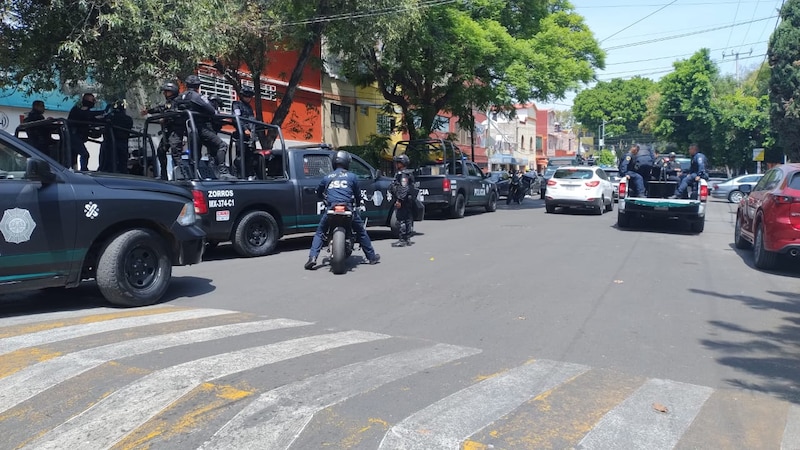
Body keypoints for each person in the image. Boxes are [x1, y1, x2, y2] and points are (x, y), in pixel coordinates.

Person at [305, 151, 380, 270]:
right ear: (346, 162)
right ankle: (371, 257)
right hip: (348, 208)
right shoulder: (352, 176)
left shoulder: (327, 177)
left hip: (331, 208)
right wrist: (358, 201)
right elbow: (357, 194)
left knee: (320, 232)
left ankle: (312, 258)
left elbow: (319, 192)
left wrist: (324, 198)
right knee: (361, 231)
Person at [175, 75, 232, 178]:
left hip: (190, 129)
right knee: (222, 145)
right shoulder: (197, 96)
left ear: (186, 85)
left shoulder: (180, 97)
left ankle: (192, 176)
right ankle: (223, 172)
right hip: (202, 128)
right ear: (197, 86)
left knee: (195, 156)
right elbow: (211, 110)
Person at [144, 82, 184, 179]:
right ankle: (163, 175)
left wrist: (165, 118)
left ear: (173, 92)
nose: (165, 94)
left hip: (175, 131)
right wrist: (149, 111)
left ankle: (181, 176)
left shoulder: (178, 101)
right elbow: (162, 108)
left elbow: (175, 113)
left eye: (167, 92)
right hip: (168, 131)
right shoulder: (169, 102)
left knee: (176, 153)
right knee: (161, 151)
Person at [67, 93, 104, 171]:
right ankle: (83, 170)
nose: (94, 102)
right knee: (84, 154)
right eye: (92, 100)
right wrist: (103, 111)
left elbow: (92, 120)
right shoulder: (77, 110)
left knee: (74, 157)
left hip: (78, 137)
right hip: (73, 136)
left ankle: (75, 170)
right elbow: (85, 115)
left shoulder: (86, 112)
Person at [98, 100, 133, 173]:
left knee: (107, 164)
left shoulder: (110, 117)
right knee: (122, 165)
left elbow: (101, 121)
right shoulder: (128, 119)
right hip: (123, 144)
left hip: (110, 144)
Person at [390, 154, 415, 247]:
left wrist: (399, 200)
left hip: (403, 200)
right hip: (407, 199)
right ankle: (407, 238)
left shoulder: (403, 174)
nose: (396, 164)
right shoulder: (406, 173)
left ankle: (403, 239)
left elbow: (404, 188)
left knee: (401, 219)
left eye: (398, 162)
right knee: (407, 218)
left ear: (402, 163)